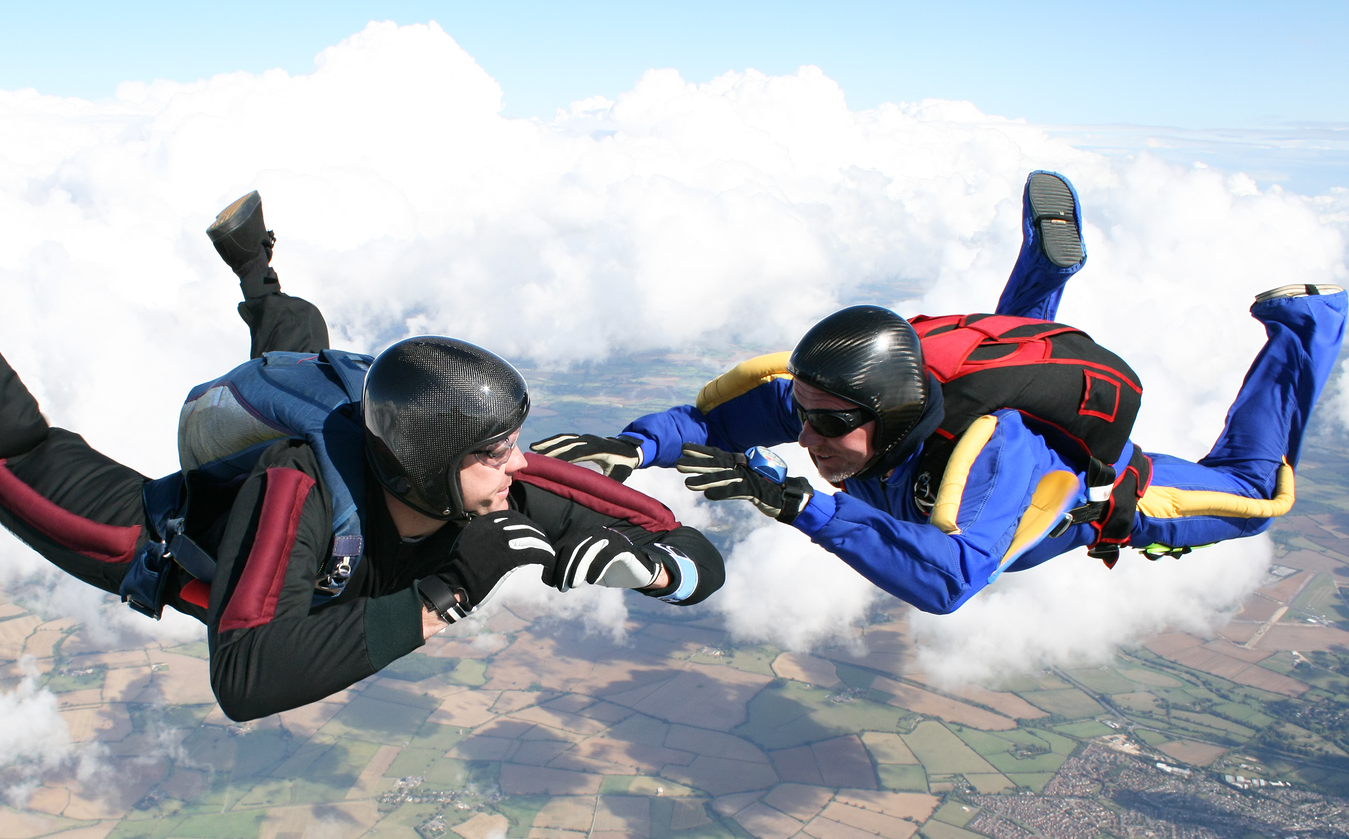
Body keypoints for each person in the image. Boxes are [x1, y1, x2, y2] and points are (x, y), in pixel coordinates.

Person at [0, 182, 725, 719]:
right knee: (2, 460)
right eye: (496, 453)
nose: (519, 467)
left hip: (342, 477)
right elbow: (245, 676)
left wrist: (650, 574)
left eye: (515, 445)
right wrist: (445, 595)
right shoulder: (294, 493)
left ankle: (254, 265)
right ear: (433, 464)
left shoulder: (491, 484)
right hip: (172, 533)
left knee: (303, 362)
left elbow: (689, 556)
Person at [533, 171, 1348, 615]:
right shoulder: (835, 402)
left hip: (1087, 495)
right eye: (806, 415)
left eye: (830, 424)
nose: (809, 438)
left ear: (882, 413)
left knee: (1255, 495)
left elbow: (952, 580)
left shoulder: (994, 457)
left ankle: (1308, 326)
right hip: (960, 440)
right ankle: (1046, 273)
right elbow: (706, 421)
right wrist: (635, 444)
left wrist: (801, 506)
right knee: (1003, 348)